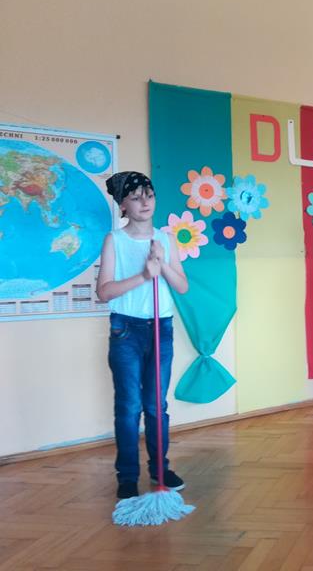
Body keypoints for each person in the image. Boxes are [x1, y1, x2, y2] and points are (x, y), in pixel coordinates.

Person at [97, 171, 188, 499]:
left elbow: (182, 286)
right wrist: (143, 275)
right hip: (126, 330)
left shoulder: (166, 239)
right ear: (123, 205)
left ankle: (160, 469)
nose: (144, 201)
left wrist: (162, 265)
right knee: (129, 406)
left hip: (161, 328)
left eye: (148, 195)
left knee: (156, 405)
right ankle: (127, 476)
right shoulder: (114, 240)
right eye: (135, 197)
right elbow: (104, 292)